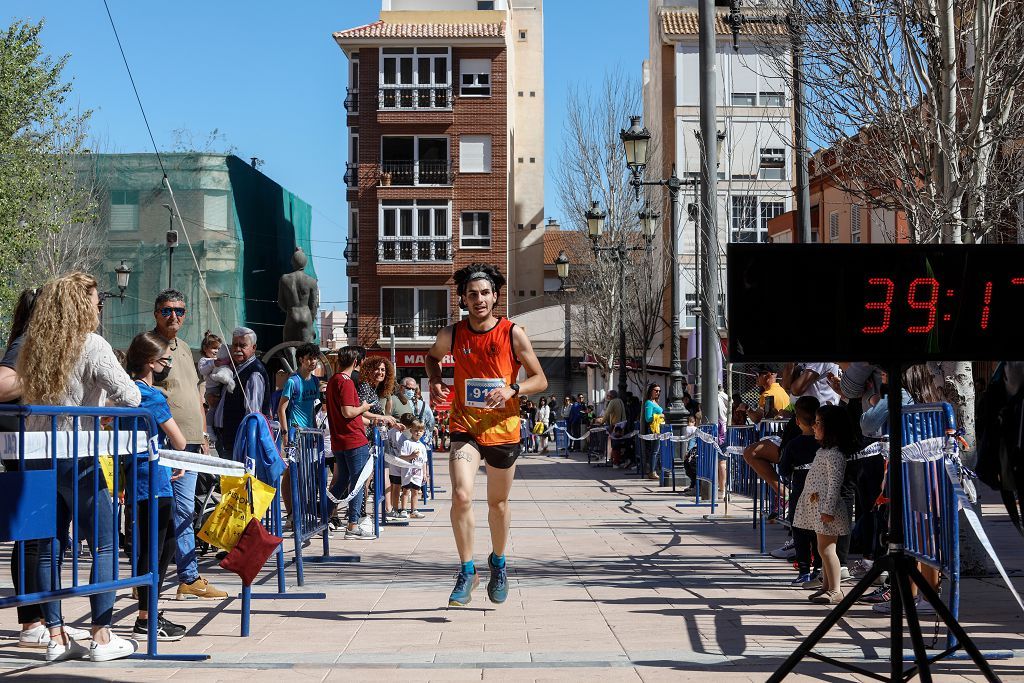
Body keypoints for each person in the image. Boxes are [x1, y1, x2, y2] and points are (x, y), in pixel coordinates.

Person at [16, 272, 141, 662]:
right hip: (77, 453)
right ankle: (101, 635)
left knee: (49, 545)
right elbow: (131, 394)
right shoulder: (92, 345)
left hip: (37, 454)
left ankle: (56, 635)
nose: (98, 305)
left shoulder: (33, 346)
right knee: (103, 542)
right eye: (93, 299)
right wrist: (103, 416)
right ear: (77, 304)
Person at [425, 263, 547, 607]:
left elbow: (540, 379)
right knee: (461, 495)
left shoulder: (512, 333)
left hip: (503, 429)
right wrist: (436, 380)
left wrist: (513, 389)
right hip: (465, 426)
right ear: (463, 298)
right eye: (472, 294)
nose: (479, 299)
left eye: (485, 293)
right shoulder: (452, 334)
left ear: (495, 297)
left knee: (498, 504)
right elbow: (432, 358)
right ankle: (467, 570)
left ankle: (498, 562)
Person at [151, 289, 228, 603]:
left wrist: (205, 436)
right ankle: (176, 577)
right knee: (164, 511)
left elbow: (197, 393)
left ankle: (182, 576)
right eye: (168, 310)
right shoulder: (149, 345)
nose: (174, 317)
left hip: (193, 442)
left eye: (180, 311)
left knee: (184, 512)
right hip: (167, 442)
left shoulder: (184, 347)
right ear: (156, 312)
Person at [124, 332, 189, 641]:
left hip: (135, 478)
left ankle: (147, 614)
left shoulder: (127, 391)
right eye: (166, 359)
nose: (168, 365)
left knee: (155, 546)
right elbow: (178, 438)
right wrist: (180, 457)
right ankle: (147, 617)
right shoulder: (150, 395)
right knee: (159, 548)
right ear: (151, 363)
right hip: (153, 479)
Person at [793, 405, 857, 606]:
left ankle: (836, 590)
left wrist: (828, 510)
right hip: (818, 507)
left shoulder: (835, 455)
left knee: (828, 550)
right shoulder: (824, 451)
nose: (813, 426)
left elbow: (834, 484)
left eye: (818, 423)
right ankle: (826, 586)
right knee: (823, 550)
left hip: (827, 510)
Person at [325, 346, 377, 539]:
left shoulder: (333, 381)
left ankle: (323, 518)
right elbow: (348, 412)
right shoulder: (346, 382)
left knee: (341, 483)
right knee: (357, 482)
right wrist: (363, 406)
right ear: (357, 362)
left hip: (340, 440)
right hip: (353, 439)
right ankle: (353, 526)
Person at [777, 396, 822, 586]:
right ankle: (820, 568)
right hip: (821, 495)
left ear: (797, 421)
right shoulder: (825, 443)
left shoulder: (793, 445)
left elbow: (783, 470)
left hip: (800, 494)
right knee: (820, 533)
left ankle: (804, 570)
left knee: (800, 533)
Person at [278, 342, 321, 522]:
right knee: (292, 473)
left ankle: (303, 511)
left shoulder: (315, 381)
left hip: (310, 434)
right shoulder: (292, 381)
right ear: (301, 360)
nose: (313, 362)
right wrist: (285, 433)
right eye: (309, 358)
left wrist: (315, 429)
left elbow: (313, 407)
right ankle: (291, 513)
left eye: (315, 358)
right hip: (295, 434)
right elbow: (282, 408)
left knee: (307, 474)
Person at [212, 327, 270, 460]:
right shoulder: (234, 367)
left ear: (253, 347)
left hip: (239, 444)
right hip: (226, 438)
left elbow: (253, 414)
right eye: (235, 345)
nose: (237, 349)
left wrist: (247, 446)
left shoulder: (254, 372)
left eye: (243, 345)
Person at [397, 419, 429, 518]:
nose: (418, 433)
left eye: (420, 431)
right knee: (406, 491)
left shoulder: (422, 446)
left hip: (418, 472)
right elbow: (401, 456)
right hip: (407, 471)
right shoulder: (407, 443)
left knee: (415, 491)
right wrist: (411, 456)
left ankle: (414, 510)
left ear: (423, 432)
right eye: (415, 430)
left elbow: (424, 461)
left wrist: (424, 473)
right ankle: (403, 509)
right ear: (411, 431)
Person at [643, 383, 664, 481]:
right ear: (651, 391)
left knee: (657, 451)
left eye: (659, 391)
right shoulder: (648, 403)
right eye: (656, 390)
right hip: (654, 429)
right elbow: (648, 418)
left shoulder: (655, 402)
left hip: (659, 428)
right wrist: (661, 416)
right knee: (655, 451)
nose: (658, 392)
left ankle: (654, 470)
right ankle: (652, 471)